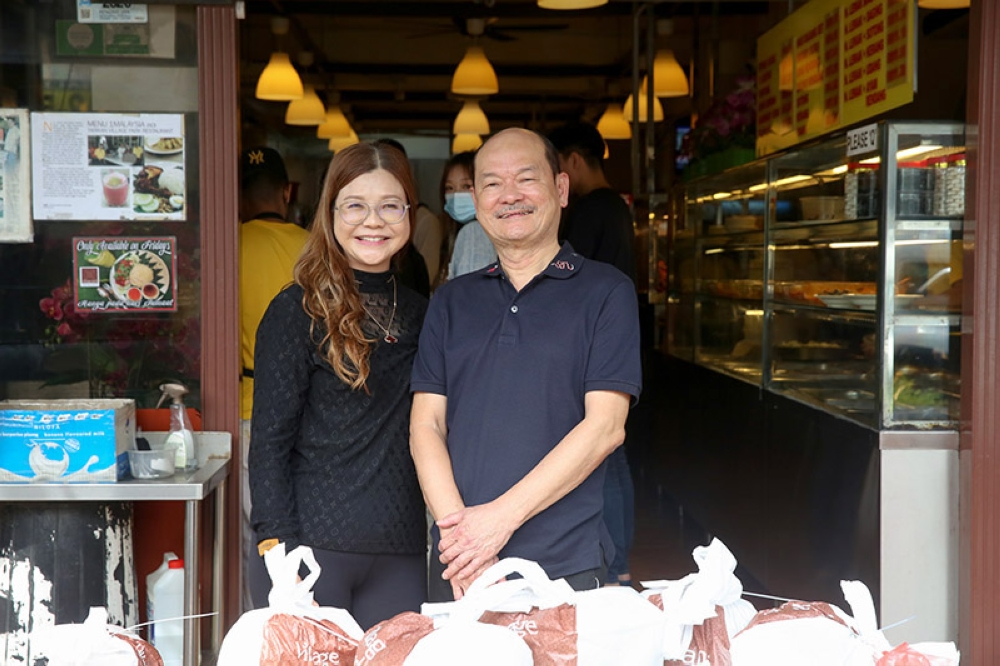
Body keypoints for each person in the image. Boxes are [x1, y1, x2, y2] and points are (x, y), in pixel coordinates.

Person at [410, 128, 642, 601]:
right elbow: (425, 426)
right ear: (476, 201)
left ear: (560, 189)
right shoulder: (451, 302)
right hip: (463, 570)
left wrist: (494, 524)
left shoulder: (606, 292)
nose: (509, 195)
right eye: (493, 183)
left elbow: (606, 427)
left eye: (526, 179)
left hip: (566, 566)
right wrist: (462, 545)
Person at [250, 142, 428, 628]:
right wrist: (278, 550)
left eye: (390, 206)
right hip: (311, 551)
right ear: (330, 213)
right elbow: (269, 443)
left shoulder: (422, 313)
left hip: (401, 549)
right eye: (355, 205)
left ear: (410, 215)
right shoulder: (297, 310)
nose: (373, 221)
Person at [549, 120, 638, 588]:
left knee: (608, 453)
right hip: (615, 340)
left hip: (592, 343)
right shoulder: (618, 209)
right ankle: (621, 559)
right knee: (615, 455)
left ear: (573, 164)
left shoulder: (590, 212)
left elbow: (565, 281)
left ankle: (617, 558)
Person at [238, 145, 310, 611]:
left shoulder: (226, 245)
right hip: (312, 414)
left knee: (258, 538)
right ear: (287, 192)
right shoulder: (317, 247)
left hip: (244, 407)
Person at [441, 151, 496, 281]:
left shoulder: (473, 232)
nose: (456, 194)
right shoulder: (458, 233)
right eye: (449, 188)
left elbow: (470, 295)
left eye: (466, 186)